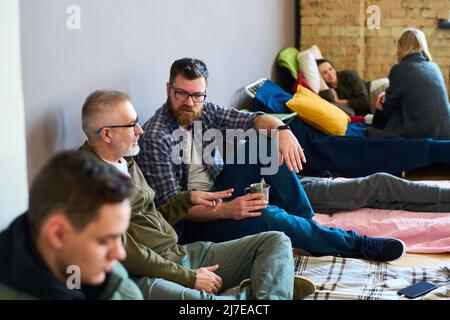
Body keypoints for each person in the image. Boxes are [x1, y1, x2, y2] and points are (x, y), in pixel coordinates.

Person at [136, 57, 407, 262]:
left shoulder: (203, 111)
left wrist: (282, 130)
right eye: (181, 93)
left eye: (197, 95)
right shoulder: (155, 137)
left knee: (262, 140)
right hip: (194, 225)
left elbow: (252, 120)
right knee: (269, 215)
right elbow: (173, 209)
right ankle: (357, 245)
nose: (189, 102)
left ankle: (308, 223)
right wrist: (227, 210)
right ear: (168, 88)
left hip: (221, 188)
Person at [79, 89, 315, 300]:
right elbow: (128, 253)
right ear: (107, 134)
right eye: (132, 125)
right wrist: (189, 278)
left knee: (276, 241)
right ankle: (267, 287)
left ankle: (265, 288)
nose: (140, 130)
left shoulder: (125, 159)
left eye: (137, 122)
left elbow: (151, 219)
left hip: (181, 253)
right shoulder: (90, 183)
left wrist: (186, 199)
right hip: (151, 273)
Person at [0, 151, 143, 300]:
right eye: (105, 240)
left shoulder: (79, 267)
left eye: (119, 236)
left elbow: (72, 283)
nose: (120, 254)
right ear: (58, 234)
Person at [367, 28, 450, 140]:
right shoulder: (434, 67)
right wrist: (387, 95)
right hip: (445, 130)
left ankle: (373, 125)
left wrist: (383, 101)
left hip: (421, 133)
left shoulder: (399, 69)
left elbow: (390, 106)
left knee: (388, 113)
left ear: (401, 47)